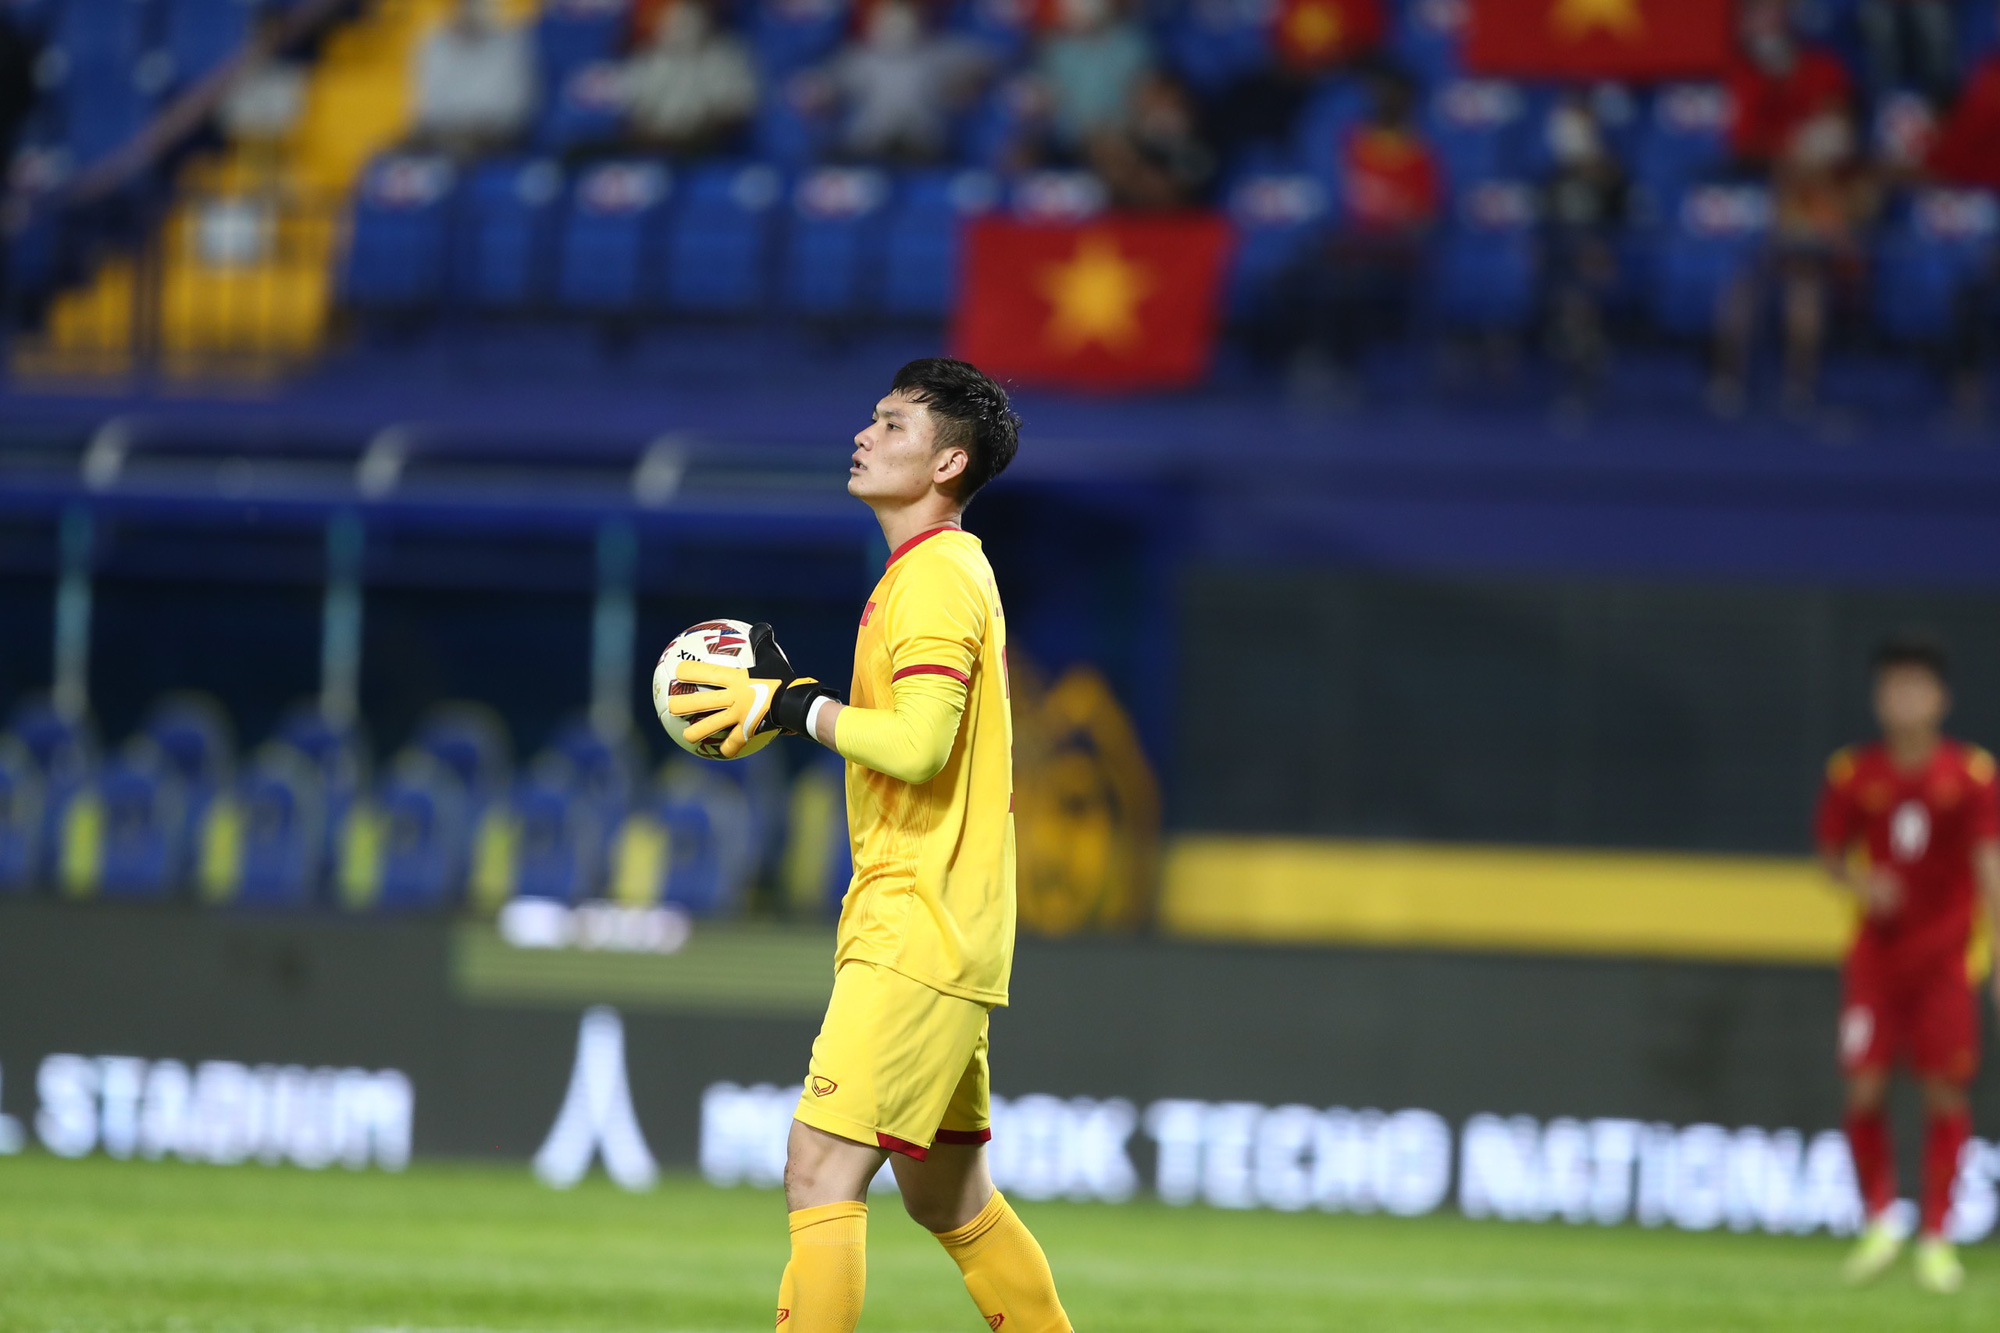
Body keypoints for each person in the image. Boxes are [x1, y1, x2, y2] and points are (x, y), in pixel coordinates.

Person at [662, 359, 1073, 1333]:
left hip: (917, 922)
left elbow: (921, 746)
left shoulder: (933, 577)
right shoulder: (937, 571)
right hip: (946, 924)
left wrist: (794, 707)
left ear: (947, 462)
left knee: (818, 1163)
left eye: (891, 426)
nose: (864, 435)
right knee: (946, 1197)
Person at [1816, 632, 2000, 1296]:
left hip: (1945, 960)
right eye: (1893, 686)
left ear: (1941, 698)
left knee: (1943, 1090)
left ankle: (1938, 1236)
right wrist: (1865, 885)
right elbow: (1832, 856)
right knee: (1863, 1086)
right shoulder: (1854, 773)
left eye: (1916, 686)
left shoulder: (1972, 776)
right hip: (1876, 959)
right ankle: (1879, 1220)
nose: (1904, 698)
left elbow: (1989, 867)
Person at [796, 0, 991, 163]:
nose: (896, 27)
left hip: (923, 145)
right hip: (867, 143)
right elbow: (824, 83)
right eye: (887, 21)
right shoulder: (858, 57)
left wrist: (964, 81)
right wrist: (822, 93)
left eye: (903, 20)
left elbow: (985, 62)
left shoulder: (939, 52)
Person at [621, 0, 758, 155]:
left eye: (692, 18)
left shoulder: (728, 55)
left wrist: (698, 133)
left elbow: (736, 113)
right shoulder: (649, 59)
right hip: (658, 150)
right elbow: (635, 116)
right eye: (676, 20)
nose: (685, 25)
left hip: (711, 152)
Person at [408, 0, 538, 159]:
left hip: (493, 138)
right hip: (441, 135)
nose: (469, 12)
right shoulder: (434, 43)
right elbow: (426, 111)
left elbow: (514, 111)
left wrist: (474, 131)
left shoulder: (512, 44)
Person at [1089, 71, 1216, 209]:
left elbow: (1176, 194)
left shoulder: (1198, 145)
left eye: (1160, 100)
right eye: (1146, 100)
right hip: (1126, 219)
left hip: (1184, 220)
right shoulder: (1124, 138)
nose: (1156, 109)